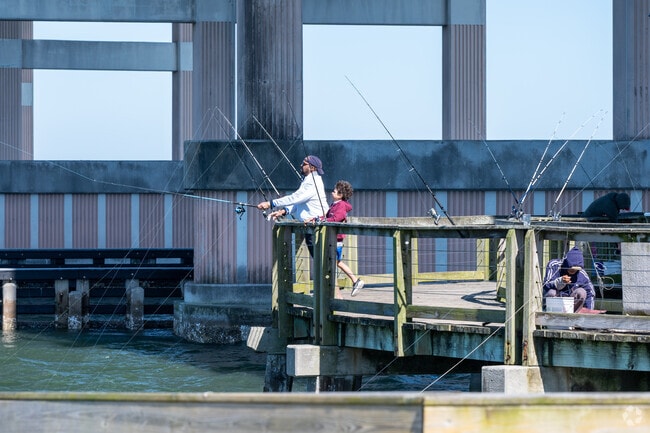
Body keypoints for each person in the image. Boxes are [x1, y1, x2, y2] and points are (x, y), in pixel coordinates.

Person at [257, 155, 329, 255]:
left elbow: (295, 198)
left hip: (316, 227)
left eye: (304, 164)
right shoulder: (310, 180)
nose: (301, 165)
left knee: (320, 261)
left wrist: (271, 203)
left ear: (312, 168)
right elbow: (300, 202)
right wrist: (284, 211)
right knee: (318, 259)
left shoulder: (312, 182)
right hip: (311, 228)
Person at [310, 180, 365, 298]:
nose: (332, 192)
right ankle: (341, 289)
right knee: (335, 262)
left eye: (335, 191)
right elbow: (327, 216)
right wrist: (316, 218)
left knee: (336, 262)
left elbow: (337, 218)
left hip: (336, 240)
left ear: (341, 195)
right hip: (332, 239)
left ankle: (355, 281)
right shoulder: (335, 205)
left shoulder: (340, 206)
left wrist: (323, 221)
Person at [542, 246, 595, 312]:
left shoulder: (582, 274)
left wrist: (589, 311)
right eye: (571, 267)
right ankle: (548, 313)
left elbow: (590, 292)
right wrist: (560, 282)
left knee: (581, 292)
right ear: (566, 263)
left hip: (571, 304)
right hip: (555, 301)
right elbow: (545, 285)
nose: (573, 270)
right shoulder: (554, 265)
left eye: (576, 269)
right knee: (552, 292)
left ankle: (574, 317)